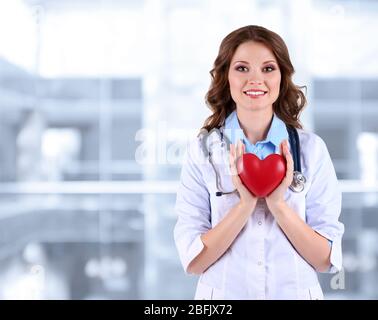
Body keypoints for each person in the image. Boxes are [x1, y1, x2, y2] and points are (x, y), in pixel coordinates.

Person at [173, 25, 344, 300]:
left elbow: (325, 260)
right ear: (225, 76)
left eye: (268, 68)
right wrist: (245, 204)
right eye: (242, 68)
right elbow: (194, 261)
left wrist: (278, 204)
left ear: (282, 77)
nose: (255, 79)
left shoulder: (312, 151)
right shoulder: (202, 152)